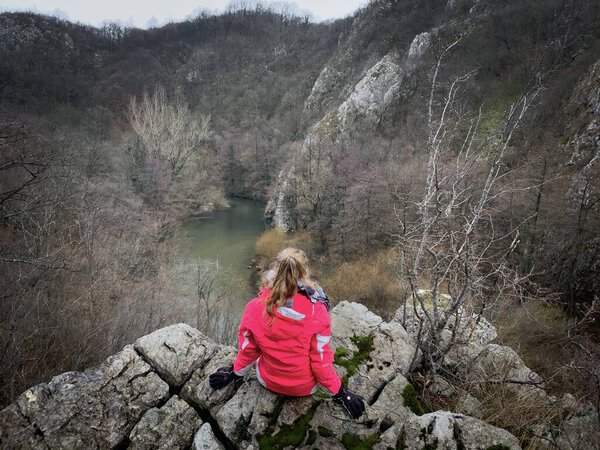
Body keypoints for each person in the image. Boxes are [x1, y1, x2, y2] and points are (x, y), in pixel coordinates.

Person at [209, 247, 365, 419]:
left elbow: (248, 350)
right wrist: (341, 393)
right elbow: (320, 362)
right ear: (303, 274)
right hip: (304, 387)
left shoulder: (254, 307)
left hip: (268, 381)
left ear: (273, 274)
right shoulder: (317, 312)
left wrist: (233, 373)